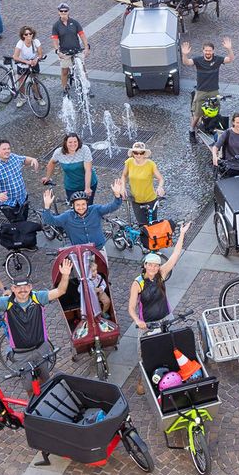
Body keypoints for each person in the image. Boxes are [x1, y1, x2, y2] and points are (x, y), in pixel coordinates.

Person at [0, 259, 73, 394]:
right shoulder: (6, 303)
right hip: (21, 354)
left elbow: (61, 291)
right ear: (13, 289)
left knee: (46, 381)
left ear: (31, 287)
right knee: (30, 388)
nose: (23, 290)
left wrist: (66, 275)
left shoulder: (38, 297)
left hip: (41, 349)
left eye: (26, 286)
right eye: (18, 287)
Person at [127, 224, 190, 394]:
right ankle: (142, 379)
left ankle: (171, 376)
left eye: (156, 265)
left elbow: (176, 255)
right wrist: (138, 320)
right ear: (145, 265)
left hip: (165, 318)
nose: (153, 268)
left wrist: (182, 234)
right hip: (147, 323)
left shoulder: (161, 274)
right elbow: (131, 308)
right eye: (150, 265)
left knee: (172, 346)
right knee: (143, 353)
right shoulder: (138, 283)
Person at [41, 179, 125, 256]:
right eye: (77, 205)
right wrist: (47, 207)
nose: (81, 207)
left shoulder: (96, 210)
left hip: (99, 249)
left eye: (83, 204)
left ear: (87, 204)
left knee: (103, 272)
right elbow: (50, 221)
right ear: (73, 205)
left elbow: (112, 207)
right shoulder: (67, 216)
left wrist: (117, 196)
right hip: (80, 252)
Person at [182, 38, 235, 141]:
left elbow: (230, 59)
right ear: (203, 51)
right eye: (206, 50)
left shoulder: (217, 59)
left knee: (215, 112)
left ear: (213, 51)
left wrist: (229, 49)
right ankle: (191, 130)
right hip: (201, 91)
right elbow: (187, 62)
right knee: (197, 113)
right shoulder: (198, 60)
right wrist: (185, 54)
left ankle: (211, 128)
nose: (208, 52)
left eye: (210, 50)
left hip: (214, 91)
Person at [0, 139, 40, 223]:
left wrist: (33, 160)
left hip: (22, 198)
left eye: (8, 148)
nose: (7, 151)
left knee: (24, 221)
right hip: (9, 204)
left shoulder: (13, 157)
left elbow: (24, 159)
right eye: (4, 149)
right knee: (18, 225)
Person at [43, 133, 98, 203]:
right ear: (65, 143)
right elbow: (51, 163)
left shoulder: (84, 149)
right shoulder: (59, 152)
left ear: (78, 142)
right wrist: (47, 178)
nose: (73, 144)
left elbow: (88, 170)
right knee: (74, 207)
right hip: (71, 185)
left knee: (87, 207)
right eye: (70, 142)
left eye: (75, 142)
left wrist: (87, 188)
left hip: (88, 183)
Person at [51, 3, 90, 96]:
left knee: (83, 68)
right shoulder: (56, 26)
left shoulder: (74, 23)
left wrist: (86, 47)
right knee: (65, 71)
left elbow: (82, 35)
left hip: (77, 49)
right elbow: (55, 40)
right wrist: (57, 51)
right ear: (58, 12)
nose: (63, 13)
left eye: (65, 11)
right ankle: (64, 89)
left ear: (68, 12)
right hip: (65, 51)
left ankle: (87, 86)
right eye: (61, 11)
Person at [121, 142, 165, 224]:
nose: (138, 155)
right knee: (142, 224)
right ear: (132, 153)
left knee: (153, 224)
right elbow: (123, 175)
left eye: (141, 153)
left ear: (144, 153)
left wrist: (160, 187)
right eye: (135, 153)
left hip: (150, 199)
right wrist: (122, 187)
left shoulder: (151, 164)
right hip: (136, 200)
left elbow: (161, 179)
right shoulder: (129, 162)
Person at [12, 26, 46, 108]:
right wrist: (26, 62)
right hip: (22, 64)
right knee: (21, 82)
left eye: (30, 34)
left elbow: (40, 54)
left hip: (33, 63)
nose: (28, 36)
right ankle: (22, 98)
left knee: (35, 81)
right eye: (26, 34)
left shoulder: (36, 42)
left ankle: (38, 98)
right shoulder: (20, 43)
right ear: (23, 35)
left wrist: (37, 59)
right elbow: (15, 57)